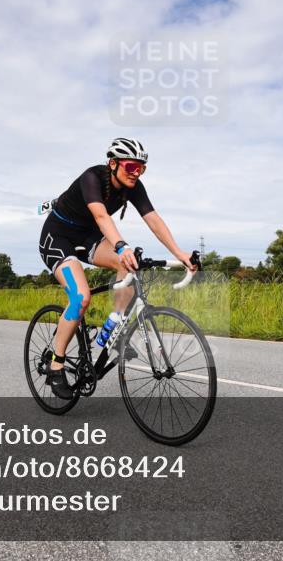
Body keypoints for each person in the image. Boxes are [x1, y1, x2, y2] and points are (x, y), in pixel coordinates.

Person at [38, 137, 196, 399]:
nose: (136, 173)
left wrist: (180, 254)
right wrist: (121, 245)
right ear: (113, 164)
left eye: (141, 168)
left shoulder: (133, 187)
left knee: (129, 267)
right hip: (58, 237)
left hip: (87, 237)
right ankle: (56, 365)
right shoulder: (92, 177)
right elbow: (101, 217)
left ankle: (114, 324)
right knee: (81, 297)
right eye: (131, 167)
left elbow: (153, 219)